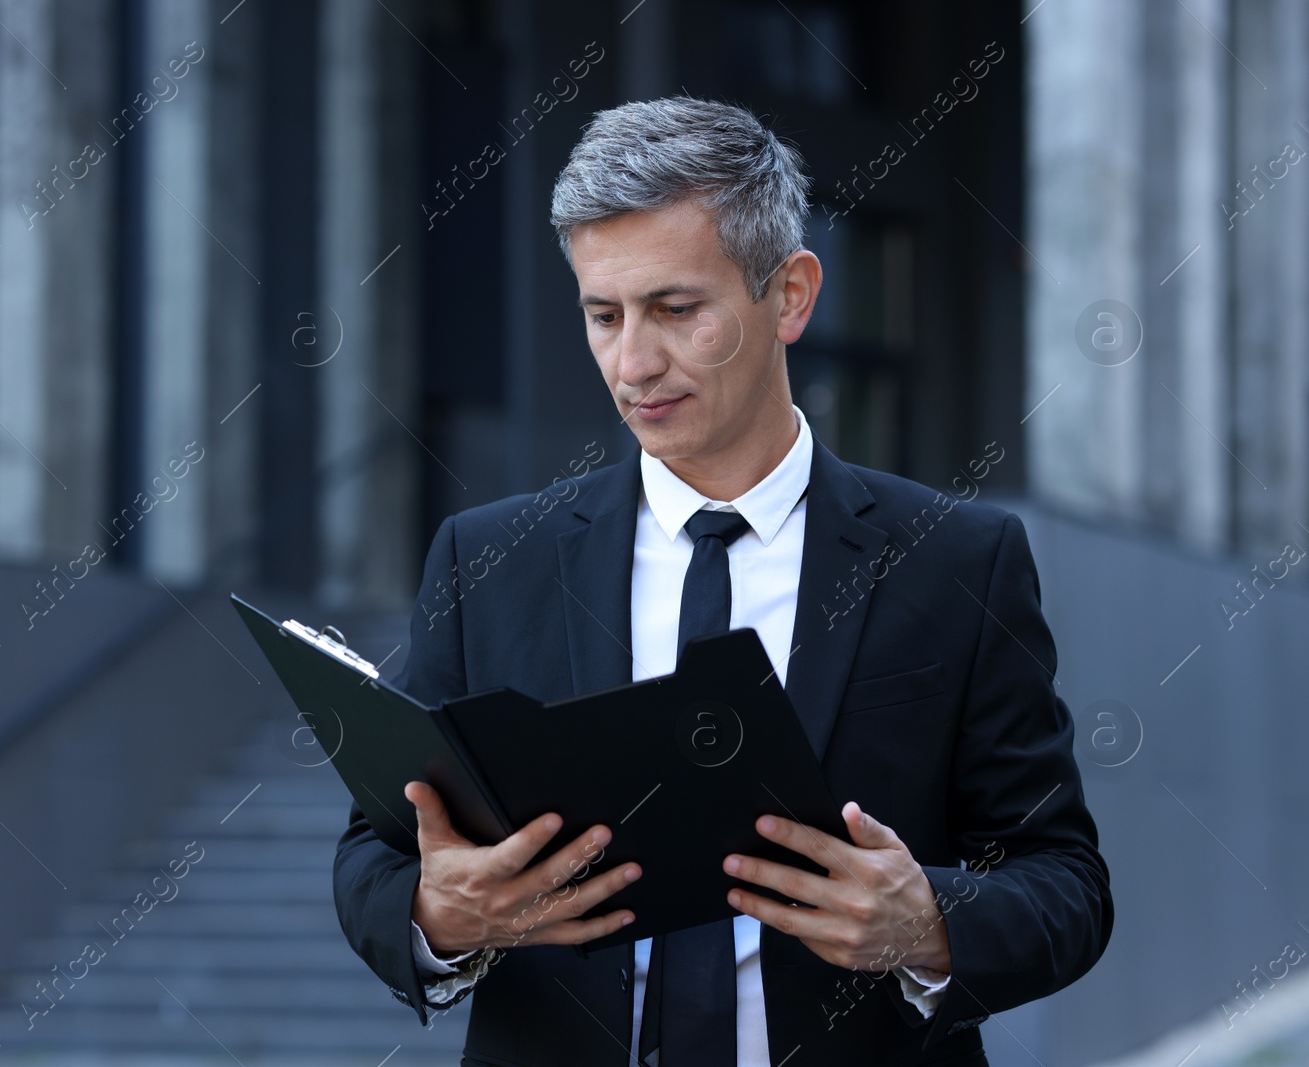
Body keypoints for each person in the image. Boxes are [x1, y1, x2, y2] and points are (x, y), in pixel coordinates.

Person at [333, 95, 1111, 1066]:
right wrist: (436, 912)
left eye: (674, 308)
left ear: (789, 294)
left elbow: (1066, 882)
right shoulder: (490, 560)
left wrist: (928, 920)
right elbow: (375, 848)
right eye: (602, 314)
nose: (632, 362)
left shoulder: (956, 560)